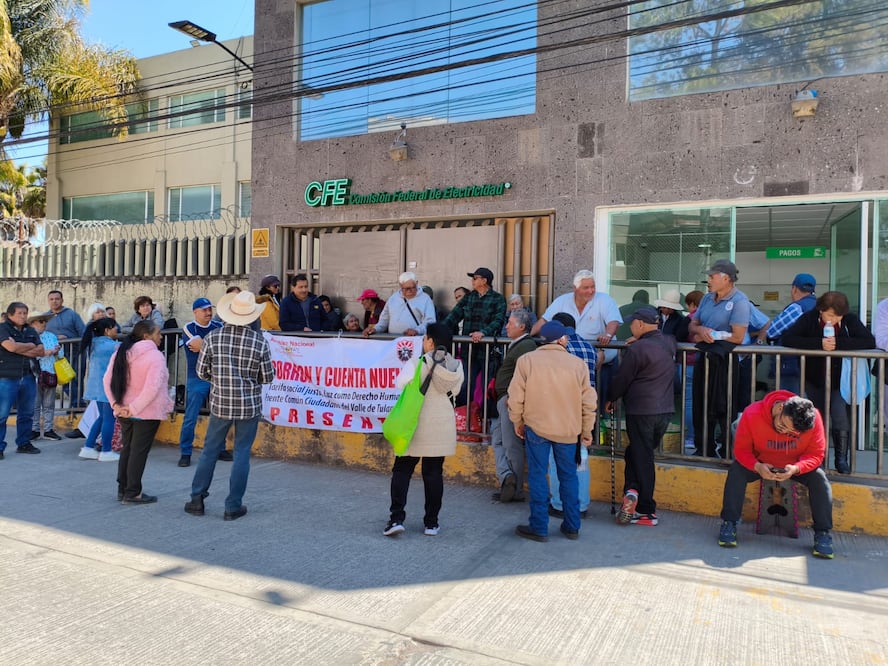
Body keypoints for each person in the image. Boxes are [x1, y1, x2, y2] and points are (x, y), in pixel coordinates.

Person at [185, 291, 275, 521]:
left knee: (209, 450)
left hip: (220, 402)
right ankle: (233, 505)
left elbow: (201, 371)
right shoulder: (259, 342)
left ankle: (197, 499)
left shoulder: (213, 338)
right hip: (248, 405)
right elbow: (267, 377)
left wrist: (218, 379)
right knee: (242, 453)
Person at [717, 391, 835, 559]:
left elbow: (816, 454)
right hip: (761, 463)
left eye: (792, 433)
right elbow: (741, 450)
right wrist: (757, 466)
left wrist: (796, 468)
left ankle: (823, 533)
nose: (785, 432)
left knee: (820, 480)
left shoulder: (814, 417)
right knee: (736, 471)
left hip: (794, 466)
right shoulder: (752, 413)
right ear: (780, 408)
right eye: (783, 425)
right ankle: (729, 522)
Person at [508, 321, 597, 542]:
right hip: (568, 431)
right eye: (565, 337)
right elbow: (588, 402)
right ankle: (572, 526)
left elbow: (516, 397)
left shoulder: (527, 361)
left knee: (538, 475)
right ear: (561, 340)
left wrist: (517, 421)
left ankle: (538, 527)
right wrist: (586, 429)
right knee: (569, 476)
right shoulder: (578, 365)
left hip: (536, 427)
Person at [383, 322, 464, 537]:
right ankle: (431, 523)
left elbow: (399, 383)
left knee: (402, 471)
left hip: (415, 425)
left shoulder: (417, 363)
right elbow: (455, 391)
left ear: (430, 341)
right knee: (434, 474)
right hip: (442, 426)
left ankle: (396, 518)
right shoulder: (456, 366)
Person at [782, 291, 874, 474]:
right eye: (830, 315)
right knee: (816, 417)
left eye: (838, 315)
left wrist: (838, 344)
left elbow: (869, 341)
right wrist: (819, 344)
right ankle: (818, 458)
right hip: (814, 378)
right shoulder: (809, 319)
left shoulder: (850, 320)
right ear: (821, 310)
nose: (834, 319)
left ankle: (841, 458)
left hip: (840, 380)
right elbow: (788, 338)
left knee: (839, 414)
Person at [605, 306, 676, 527]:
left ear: (641, 325)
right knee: (636, 452)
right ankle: (632, 490)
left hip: (641, 410)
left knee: (643, 457)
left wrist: (610, 398)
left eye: (633, 323)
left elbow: (622, 379)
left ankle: (646, 510)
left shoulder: (637, 350)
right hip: (664, 411)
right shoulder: (669, 342)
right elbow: (659, 344)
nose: (631, 326)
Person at [104, 320, 173, 504]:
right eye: (158, 333)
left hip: (124, 409)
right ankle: (133, 491)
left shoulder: (121, 352)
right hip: (145, 411)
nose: (161, 337)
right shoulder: (155, 356)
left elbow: (107, 380)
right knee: (138, 452)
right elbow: (152, 388)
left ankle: (123, 488)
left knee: (128, 449)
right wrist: (133, 408)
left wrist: (116, 405)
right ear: (146, 336)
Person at [688, 260, 751, 457]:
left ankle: (727, 451)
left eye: (712, 276)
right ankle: (703, 449)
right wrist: (701, 330)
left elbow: (738, 337)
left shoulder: (740, 301)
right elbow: (692, 325)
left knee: (725, 407)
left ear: (726, 278)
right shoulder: (707, 299)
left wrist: (711, 336)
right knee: (701, 405)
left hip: (726, 363)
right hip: (705, 359)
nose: (708, 280)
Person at [533, 270, 622, 407]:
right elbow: (543, 321)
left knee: (599, 406)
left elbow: (613, 322)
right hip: (569, 365)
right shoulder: (562, 301)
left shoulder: (604, 300)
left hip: (602, 364)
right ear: (575, 288)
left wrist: (608, 335)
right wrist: (528, 337)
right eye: (586, 287)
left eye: (593, 286)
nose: (591, 291)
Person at [548, 312, 598, 519]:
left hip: (562, 411)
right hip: (584, 410)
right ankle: (581, 504)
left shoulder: (561, 348)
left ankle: (560, 504)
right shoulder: (589, 347)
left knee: (557, 459)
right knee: (581, 459)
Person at [488, 309, 537, 503]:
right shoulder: (519, 344)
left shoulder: (526, 346)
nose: (506, 326)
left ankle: (515, 488)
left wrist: (514, 397)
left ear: (522, 326)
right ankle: (507, 478)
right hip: (504, 399)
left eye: (510, 323)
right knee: (498, 440)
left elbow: (526, 375)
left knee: (511, 444)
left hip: (510, 399)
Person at [442, 267, 507, 407]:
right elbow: (454, 316)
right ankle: (464, 416)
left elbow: (499, 320)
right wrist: (439, 331)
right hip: (469, 351)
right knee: (465, 384)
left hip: (487, 351)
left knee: (486, 385)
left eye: (475, 278)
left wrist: (484, 332)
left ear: (484, 281)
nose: (472, 281)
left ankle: (485, 418)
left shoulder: (498, 299)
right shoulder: (469, 297)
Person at [176, 297, 224, 468]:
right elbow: (214, 348)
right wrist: (212, 348)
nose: (209, 313)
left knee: (220, 416)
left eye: (210, 309)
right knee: (191, 417)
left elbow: (219, 349)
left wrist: (205, 347)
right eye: (204, 310)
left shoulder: (218, 326)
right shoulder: (189, 328)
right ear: (195, 312)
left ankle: (220, 448)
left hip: (216, 377)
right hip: (196, 377)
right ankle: (185, 452)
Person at [0, 303, 45, 458]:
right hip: (7, 377)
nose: (23, 316)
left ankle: (24, 443)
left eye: (25, 313)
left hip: (28, 376)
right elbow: (10, 347)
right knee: (2, 414)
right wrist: (29, 346)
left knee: (26, 413)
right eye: (20, 313)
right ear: (10, 314)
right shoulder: (3, 329)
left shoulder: (30, 330)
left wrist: (20, 347)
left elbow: (41, 350)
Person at [765, 273, 817, 395]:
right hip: (815, 366)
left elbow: (772, 332)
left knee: (791, 402)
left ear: (794, 289)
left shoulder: (798, 307)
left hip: (791, 364)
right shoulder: (821, 306)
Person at [79, 318, 120, 462]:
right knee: (109, 419)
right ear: (107, 330)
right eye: (115, 327)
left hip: (96, 387)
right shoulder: (110, 346)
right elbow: (128, 349)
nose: (117, 330)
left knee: (102, 418)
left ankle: (88, 447)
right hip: (106, 388)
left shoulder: (96, 343)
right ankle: (106, 451)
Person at [45, 290, 86, 406]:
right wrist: (56, 338)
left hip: (75, 351)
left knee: (77, 378)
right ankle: (77, 403)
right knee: (64, 379)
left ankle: (76, 404)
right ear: (48, 301)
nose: (54, 301)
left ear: (62, 300)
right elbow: (43, 335)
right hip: (58, 354)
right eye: (51, 299)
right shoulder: (45, 318)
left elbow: (82, 332)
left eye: (57, 299)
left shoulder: (72, 314)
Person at [365, 272, 436, 337]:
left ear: (416, 283)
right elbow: (383, 321)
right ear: (400, 285)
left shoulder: (426, 299)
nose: (409, 291)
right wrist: (375, 329)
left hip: (415, 340)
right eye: (405, 288)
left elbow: (430, 322)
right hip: (393, 340)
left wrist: (417, 330)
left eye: (412, 287)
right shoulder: (393, 299)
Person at [28, 313, 62, 441]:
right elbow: (30, 354)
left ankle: (48, 429)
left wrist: (57, 351)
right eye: (40, 321)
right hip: (35, 373)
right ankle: (34, 429)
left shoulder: (51, 336)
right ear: (33, 324)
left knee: (49, 404)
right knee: (35, 404)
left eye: (44, 321)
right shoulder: (29, 337)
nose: (44, 324)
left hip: (50, 372)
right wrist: (46, 352)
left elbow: (60, 354)